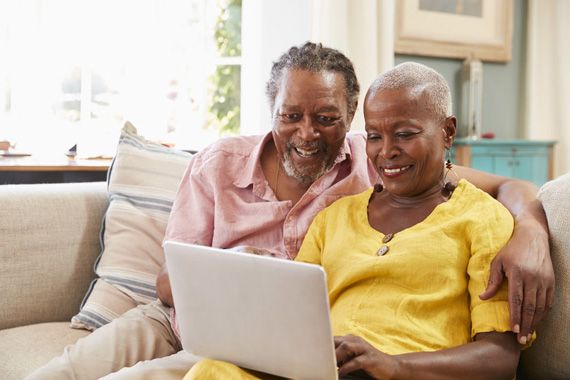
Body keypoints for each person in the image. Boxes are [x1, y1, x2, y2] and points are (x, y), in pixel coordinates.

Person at [27, 43, 552, 380]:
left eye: (325, 118)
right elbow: (171, 280)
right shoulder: (222, 165)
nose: (306, 133)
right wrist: (241, 271)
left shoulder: (377, 168)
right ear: (272, 112)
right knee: (71, 372)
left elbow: (505, 185)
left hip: (271, 345)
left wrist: (530, 225)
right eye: (291, 116)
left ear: (346, 119)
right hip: (182, 316)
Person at [185, 62, 526, 380]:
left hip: (408, 372)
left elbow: (499, 356)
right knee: (211, 370)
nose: (386, 150)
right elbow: (292, 327)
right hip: (323, 371)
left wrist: (392, 365)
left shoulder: (482, 218)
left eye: (405, 134)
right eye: (375, 136)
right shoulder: (334, 218)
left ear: (447, 132)